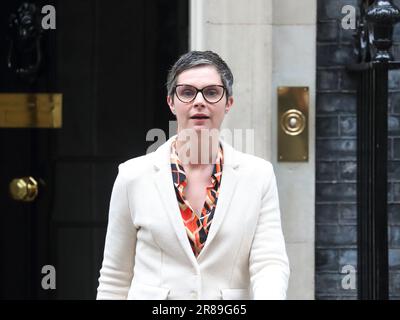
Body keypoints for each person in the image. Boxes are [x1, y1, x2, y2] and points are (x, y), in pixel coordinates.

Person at [96, 50, 290, 300]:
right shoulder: (132, 176)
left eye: (211, 92)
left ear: (228, 102)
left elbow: (269, 263)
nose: (199, 101)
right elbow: (115, 276)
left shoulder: (258, 176)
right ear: (171, 102)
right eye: (187, 92)